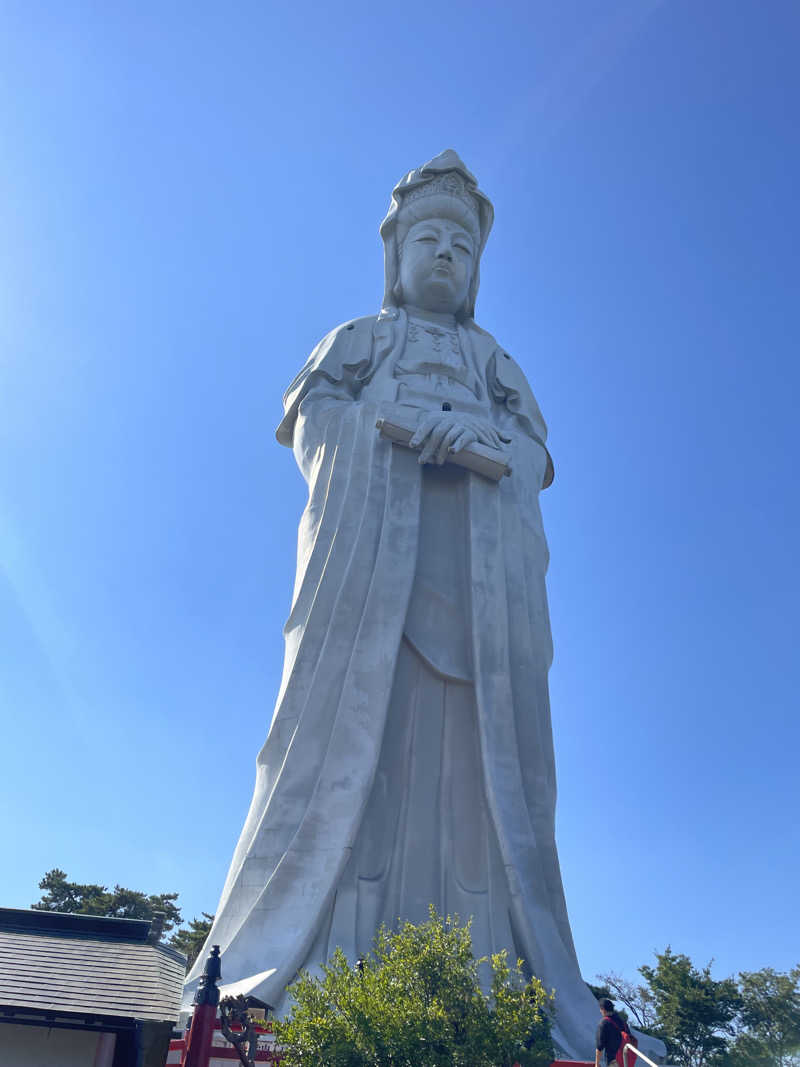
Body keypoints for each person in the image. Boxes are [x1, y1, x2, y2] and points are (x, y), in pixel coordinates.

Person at [184, 149, 605, 1059]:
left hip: (478, 620)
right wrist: (394, 438)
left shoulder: (495, 364)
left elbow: (533, 457)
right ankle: (308, 975)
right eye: (430, 237)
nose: (446, 255)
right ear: (396, 253)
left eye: (462, 243)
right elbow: (314, 420)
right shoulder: (361, 342)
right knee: (348, 761)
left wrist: (484, 442)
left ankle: (494, 984)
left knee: (481, 785)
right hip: (372, 593)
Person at [596, 998, 632, 1067]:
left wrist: (597, 1064)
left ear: (603, 1009)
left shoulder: (604, 1023)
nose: (600, 1012)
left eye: (600, 1009)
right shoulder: (622, 1022)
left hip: (614, 1061)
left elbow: (599, 1047)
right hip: (627, 1060)